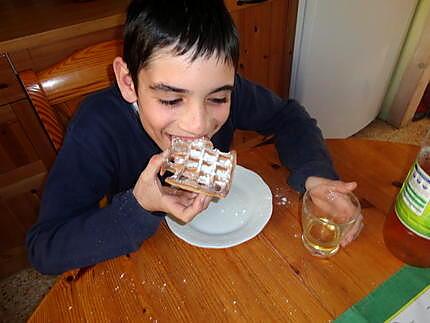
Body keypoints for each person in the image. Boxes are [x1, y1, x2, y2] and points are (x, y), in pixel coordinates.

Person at [26, 0, 363, 275]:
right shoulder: (96, 128)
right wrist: (139, 207)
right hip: (148, 256)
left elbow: (289, 116)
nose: (199, 124)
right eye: (171, 99)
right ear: (128, 82)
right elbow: (44, 248)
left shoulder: (233, 93)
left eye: (217, 98)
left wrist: (315, 175)